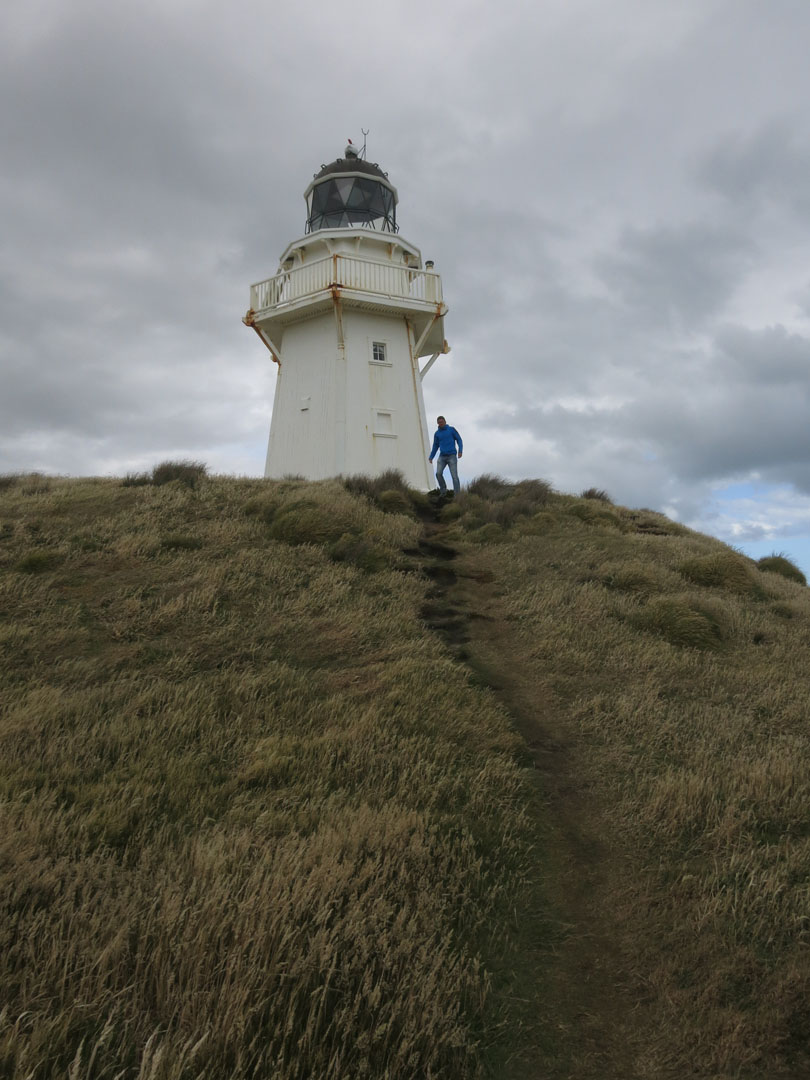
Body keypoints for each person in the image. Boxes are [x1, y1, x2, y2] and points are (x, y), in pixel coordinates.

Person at [428, 415, 463, 494]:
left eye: (442, 422)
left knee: (454, 476)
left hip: (452, 456)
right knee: (438, 473)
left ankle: (457, 495)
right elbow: (435, 446)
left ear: (445, 421)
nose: (440, 423)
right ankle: (443, 491)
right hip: (442, 456)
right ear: (437, 423)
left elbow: (459, 439)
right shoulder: (437, 434)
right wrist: (431, 457)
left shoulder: (451, 430)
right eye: (439, 422)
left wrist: (460, 450)